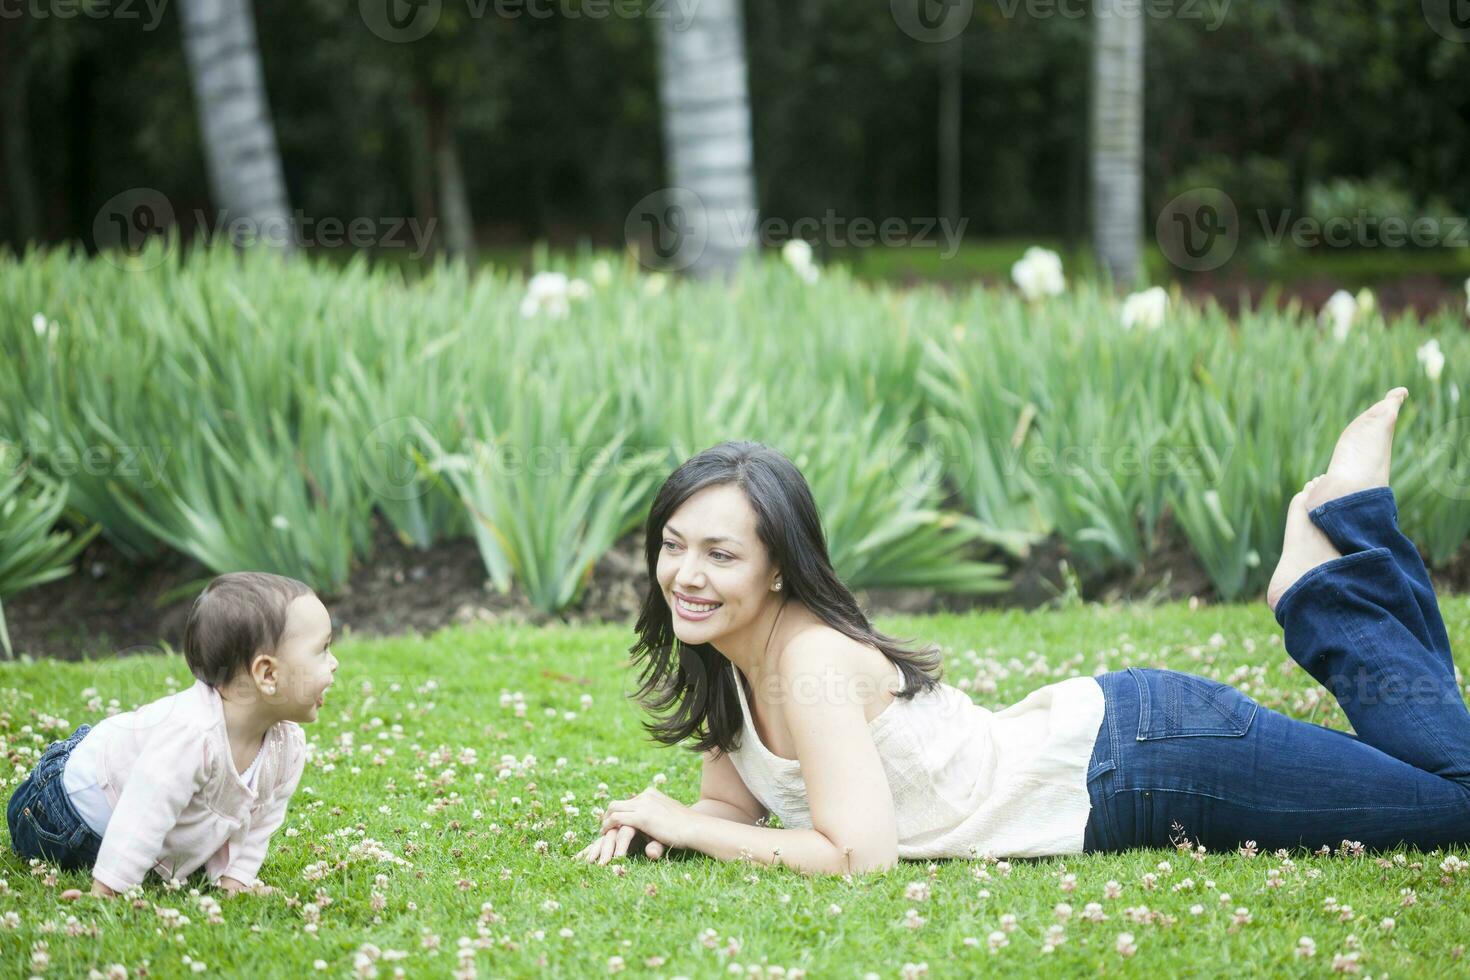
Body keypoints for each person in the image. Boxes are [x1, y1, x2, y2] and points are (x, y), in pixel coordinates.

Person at [578, 387, 1470, 873]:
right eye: (672, 546)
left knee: (1460, 804)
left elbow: (857, 856)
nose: (687, 574)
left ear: (777, 566)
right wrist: (663, 828)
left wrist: (691, 829)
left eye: (720, 555)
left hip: (1151, 760)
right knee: (1446, 780)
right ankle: (1338, 550)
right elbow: (731, 807)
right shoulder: (731, 661)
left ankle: (1327, 574)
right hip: (1119, 753)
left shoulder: (808, 657)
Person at [6, 572, 336, 896]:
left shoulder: (287, 745)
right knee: (146, 812)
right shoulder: (191, 734)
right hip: (61, 812)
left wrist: (235, 880)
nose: (334, 663)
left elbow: (261, 821)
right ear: (267, 673)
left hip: (124, 790)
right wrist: (108, 890)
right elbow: (144, 812)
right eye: (322, 650)